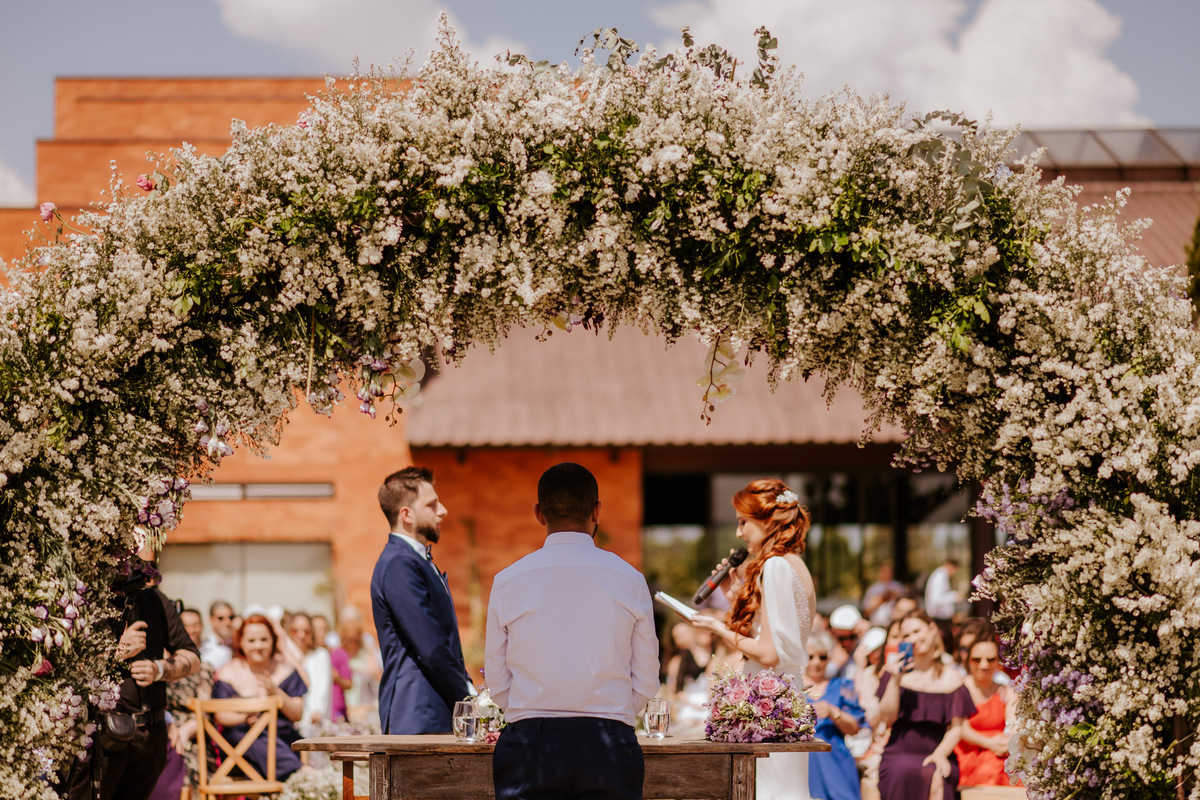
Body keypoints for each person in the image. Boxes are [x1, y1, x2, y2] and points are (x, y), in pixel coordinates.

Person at [486, 463, 659, 800]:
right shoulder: (629, 579)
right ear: (597, 511)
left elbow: (496, 676)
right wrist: (612, 712)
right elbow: (647, 677)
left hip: (530, 742)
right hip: (608, 742)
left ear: (539, 513)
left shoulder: (508, 581)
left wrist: (531, 711)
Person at [691, 478, 816, 800]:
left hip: (768, 707)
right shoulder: (795, 564)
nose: (739, 532)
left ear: (767, 521)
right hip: (789, 700)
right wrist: (737, 598)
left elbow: (769, 654)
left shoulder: (773, 566)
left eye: (743, 522)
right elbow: (778, 638)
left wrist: (718, 628)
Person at [64, 542, 201, 800]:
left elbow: (192, 657)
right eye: (134, 562)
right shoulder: (84, 602)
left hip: (151, 734)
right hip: (103, 733)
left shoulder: (156, 600)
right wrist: (117, 651)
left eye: (150, 565)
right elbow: (67, 666)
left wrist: (159, 669)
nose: (142, 570)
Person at [371, 466, 473, 734]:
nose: (443, 511)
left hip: (430, 711)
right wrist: (469, 701)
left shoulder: (413, 560)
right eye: (432, 504)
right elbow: (431, 646)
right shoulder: (399, 564)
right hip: (419, 715)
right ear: (406, 514)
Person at [876, 611, 975, 800]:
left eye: (916, 631)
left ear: (932, 630)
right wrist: (895, 680)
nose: (913, 638)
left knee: (938, 775)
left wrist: (939, 754)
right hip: (899, 753)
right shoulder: (893, 673)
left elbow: (956, 728)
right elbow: (888, 718)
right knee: (903, 771)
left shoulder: (951, 677)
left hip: (938, 750)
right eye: (906, 635)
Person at [211, 614, 308, 781]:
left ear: (273, 641)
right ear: (240, 642)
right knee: (252, 736)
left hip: (283, 741)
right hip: (240, 753)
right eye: (251, 641)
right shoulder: (227, 673)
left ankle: (296, 773)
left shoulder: (287, 671)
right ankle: (301, 774)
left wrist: (275, 691)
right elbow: (221, 716)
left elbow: (297, 713)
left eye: (264, 639)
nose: (258, 646)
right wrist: (245, 716)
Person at [805, 630, 866, 800]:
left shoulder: (842, 686)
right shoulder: (792, 687)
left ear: (829, 658)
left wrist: (834, 713)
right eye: (810, 657)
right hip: (802, 761)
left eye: (822, 657)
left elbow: (855, 728)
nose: (816, 662)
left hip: (835, 759)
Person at [954, 638, 1017, 788]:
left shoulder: (1007, 690)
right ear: (968, 660)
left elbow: (1013, 724)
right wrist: (989, 743)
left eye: (990, 659)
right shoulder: (959, 688)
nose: (984, 665)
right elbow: (960, 728)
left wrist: (1007, 743)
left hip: (1000, 750)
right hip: (968, 752)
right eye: (977, 660)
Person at [288, 611, 333, 729]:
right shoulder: (284, 657)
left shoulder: (320, 655)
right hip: (291, 722)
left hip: (315, 721)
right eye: (296, 631)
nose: (301, 635)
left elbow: (322, 686)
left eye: (306, 631)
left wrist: (318, 710)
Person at [923, 559, 960, 646]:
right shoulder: (940, 576)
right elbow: (936, 600)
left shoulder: (941, 575)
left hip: (942, 620)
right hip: (939, 620)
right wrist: (954, 596)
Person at [862, 562, 905, 627]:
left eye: (889, 571)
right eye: (884, 571)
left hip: (894, 625)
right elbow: (865, 611)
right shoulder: (872, 589)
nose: (886, 574)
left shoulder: (899, 587)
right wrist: (880, 600)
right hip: (876, 625)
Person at [201, 600, 234, 669]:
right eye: (221, 618)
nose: (227, 622)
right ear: (211, 620)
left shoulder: (240, 644)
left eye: (231, 617)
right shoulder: (202, 647)